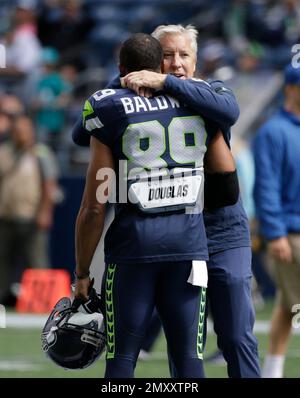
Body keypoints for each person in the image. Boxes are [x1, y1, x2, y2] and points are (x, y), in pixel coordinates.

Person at [73, 33, 239, 378]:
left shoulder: (107, 106)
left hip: (133, 246)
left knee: (121, 360)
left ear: (123, 69)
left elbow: (94, 206)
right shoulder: (200, 102)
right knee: (189, 359)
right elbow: (227, 182)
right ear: (161, 65)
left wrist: (82, 274)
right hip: (189, 247)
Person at [122, 24, 261, 378]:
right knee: (185, 344)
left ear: (196, 61)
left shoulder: (210, 90)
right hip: (178, 232)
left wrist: (166, 83)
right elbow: (85, 127)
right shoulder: (137, 98)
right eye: (167, 55)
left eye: (184, 55)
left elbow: (229, 111)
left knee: (234, 334)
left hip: (221, 227)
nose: (177, 62)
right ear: (154, 59)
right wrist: (125, 79)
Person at [253, 64, 300, 378]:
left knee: (288, 304)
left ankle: (272, 371)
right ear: (289, 88)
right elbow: (266, 187)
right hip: (292, 232)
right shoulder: (273, 131)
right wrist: (275, 233)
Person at [0, 115, 59, 304]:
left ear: (31, 132)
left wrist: (45, 212)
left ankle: (43, 302)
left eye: (25, 130)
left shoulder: (41, 153)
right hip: (6, 216)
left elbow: (50, 186)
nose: (21, 134)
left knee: (37, 261)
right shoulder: (4, 152)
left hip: (31, 217)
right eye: (18, 130)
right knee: (3, 262)